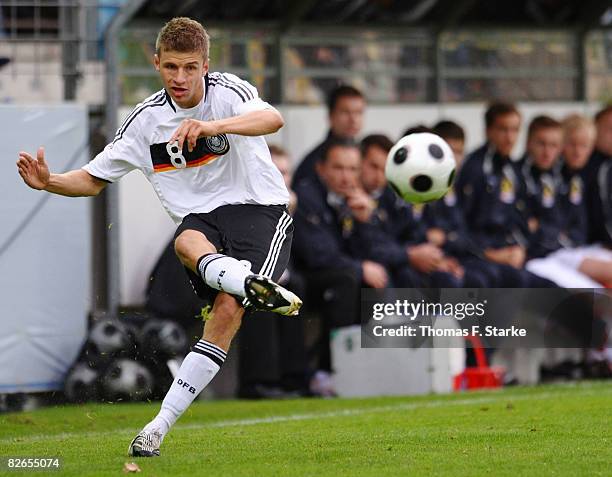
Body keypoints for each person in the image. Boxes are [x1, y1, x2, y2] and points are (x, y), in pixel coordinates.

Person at [16, 17, 302, 457]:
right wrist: (49, 181)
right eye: (171, 66)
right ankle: (245, 283)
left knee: (225, 312)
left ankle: (158, 425)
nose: (180, 77)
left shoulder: (228, 91)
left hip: (256, 209)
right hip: (200, 221)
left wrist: (212, 127)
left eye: (190, 67)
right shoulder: (146, 120)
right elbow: (92, 179)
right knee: (185, 243)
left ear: (205, 65)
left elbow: (273, 118)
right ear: (156, 63)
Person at [293, 138, 383, 389]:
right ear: (322, 169)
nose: (346, 177)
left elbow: (370, 254)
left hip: (338, 278)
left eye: (353, 169)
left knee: (372, 284)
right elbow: (316, 255)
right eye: (339, 168)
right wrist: (359, 267)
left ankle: (366, 365)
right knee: (349, 279)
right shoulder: (307, 197)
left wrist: (364, 222)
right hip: (302, 280)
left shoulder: (352, 200)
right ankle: (327, 371)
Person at [455, 101, 555, 287]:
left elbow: (519, 219)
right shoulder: (474, 168)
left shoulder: (511, 169)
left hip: (513, 254)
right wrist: (489, 254)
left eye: (515, 130)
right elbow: (461, 226)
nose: (510, 138)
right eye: (503, 129)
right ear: (488, 131)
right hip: (481, 258)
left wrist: (520, 249)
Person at [519, 115, 612, 287]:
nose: (577, 151)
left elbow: (575, 225)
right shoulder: (536, 175)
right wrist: (556, 235)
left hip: (571, 247)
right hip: (550, 254)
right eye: (572, 144)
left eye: (584, 146)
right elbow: (538, 225)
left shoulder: (574, 178)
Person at [292, 85, 365, 187]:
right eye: (345, 112)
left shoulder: (366, 154)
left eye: (358, 112)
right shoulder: (314, 161)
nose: (353, 119)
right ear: (330, 115)